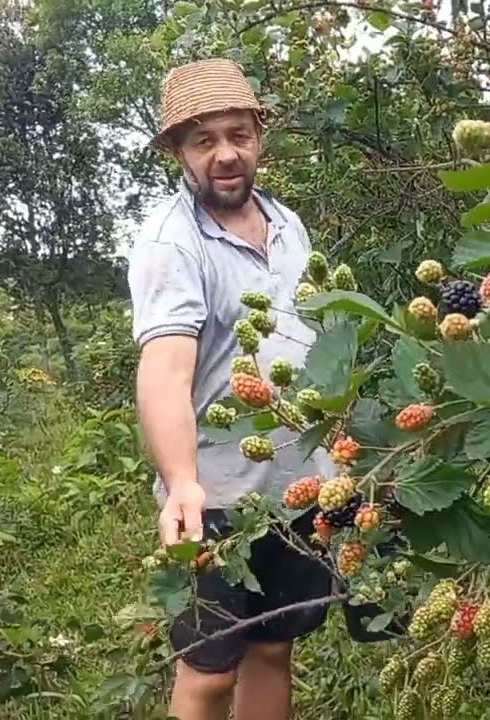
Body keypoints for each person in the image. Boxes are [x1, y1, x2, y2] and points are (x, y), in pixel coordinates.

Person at [126, 58, 338, 720]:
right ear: (178, 152)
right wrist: (182, 483)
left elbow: (318, 341)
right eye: (204, 141)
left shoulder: (289, 226)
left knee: (273, 648)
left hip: (298, 486)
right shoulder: (172, 242)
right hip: (215, 500)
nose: (225, 154)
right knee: (209, 670)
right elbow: (165, 369)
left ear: (259, 137)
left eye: (238, 135)